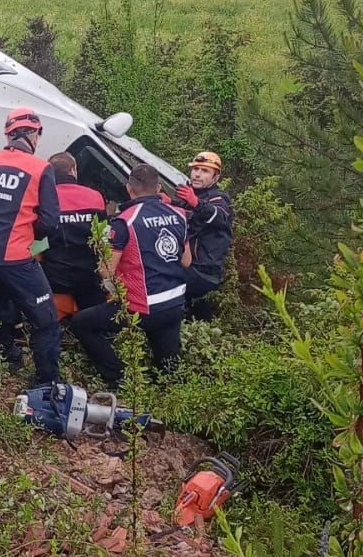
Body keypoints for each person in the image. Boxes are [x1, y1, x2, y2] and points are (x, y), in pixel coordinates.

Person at [69, 162, 191, 387]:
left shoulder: (125, 221)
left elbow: (107, 270)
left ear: (129, 188)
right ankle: (170, 396)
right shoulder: (179, 214)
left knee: (81, 323)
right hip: (174, 302)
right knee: (169, 372)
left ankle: (117, 377)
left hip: (140, 307)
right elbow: (186, 261)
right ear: (159, 187)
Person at [0, 107, 61, 382]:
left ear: (8, 134)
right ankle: (47, 381)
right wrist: (34, 245)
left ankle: (9, 358)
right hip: (15, 256)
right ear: (34, 134)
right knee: (47, 319)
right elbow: (50, 222)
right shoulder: (41, 168)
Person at [43, 152, 108, 311]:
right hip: (89, 277)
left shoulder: (44, 200)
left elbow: (37, 242)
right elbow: (103, 239)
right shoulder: (95, 197)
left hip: (55, 279)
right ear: (73, 170)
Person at [174, 150, 233, 317]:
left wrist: (196, 203)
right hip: (188, 267)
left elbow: (218, 216)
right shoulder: (190, 195)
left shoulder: (219, 199)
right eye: (195, 169)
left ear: (215, 177)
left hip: (203, 273)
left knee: (159, 279)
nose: (197, 174)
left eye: (205, 171)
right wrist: (166, 202)